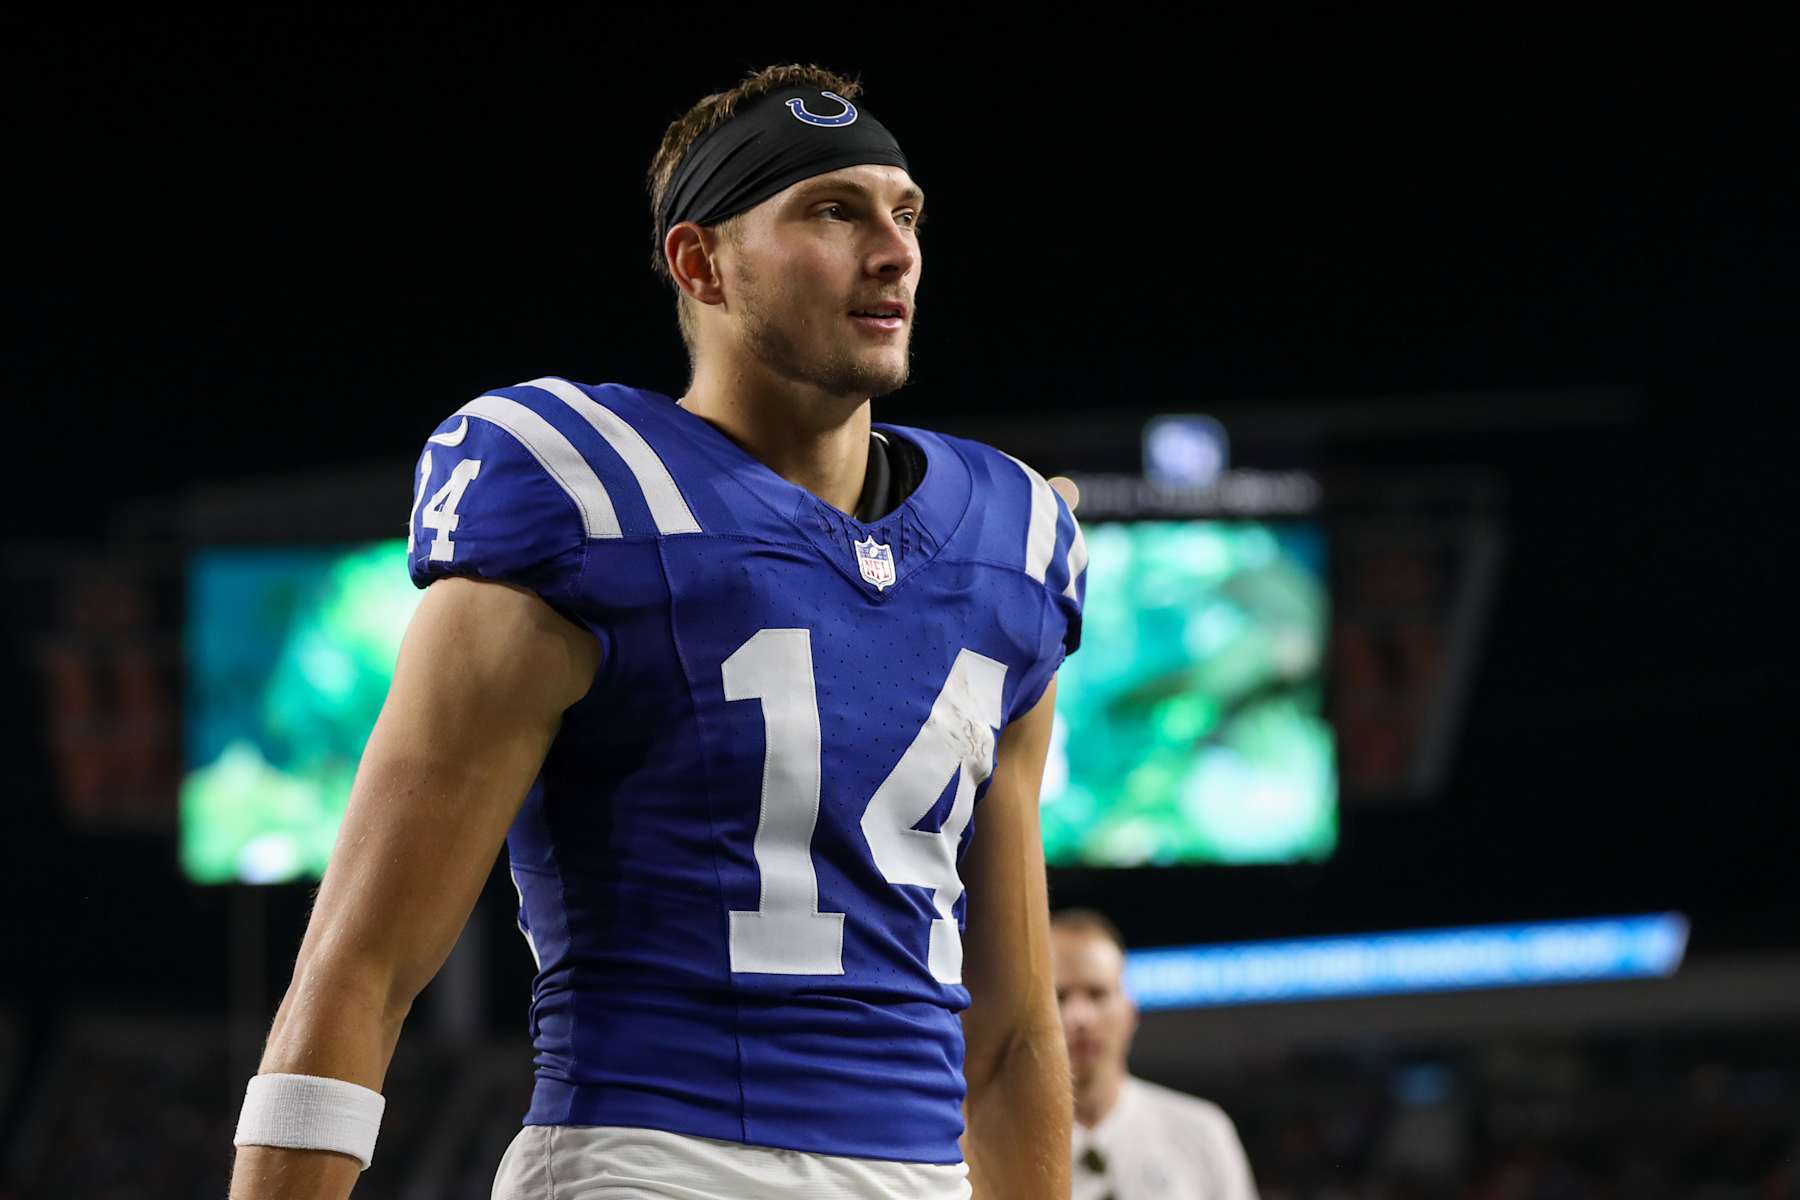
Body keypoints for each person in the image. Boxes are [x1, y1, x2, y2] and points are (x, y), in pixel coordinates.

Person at [227, 63, 1086, 1200]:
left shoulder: (1012, 543)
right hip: (652, 1164)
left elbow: (1016, 1035)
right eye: (833, 211)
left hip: (920, 1177)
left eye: (906, 211)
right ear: (701, 262)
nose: (894, 251)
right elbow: (359, 969)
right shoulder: (581, 497)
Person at [1052, 909, 1258, 1200]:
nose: (1080, 1017)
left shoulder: (1204, 1133)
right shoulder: (1006, 1149)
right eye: (1059, 996)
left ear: (1130, 1013)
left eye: (1097, 994)